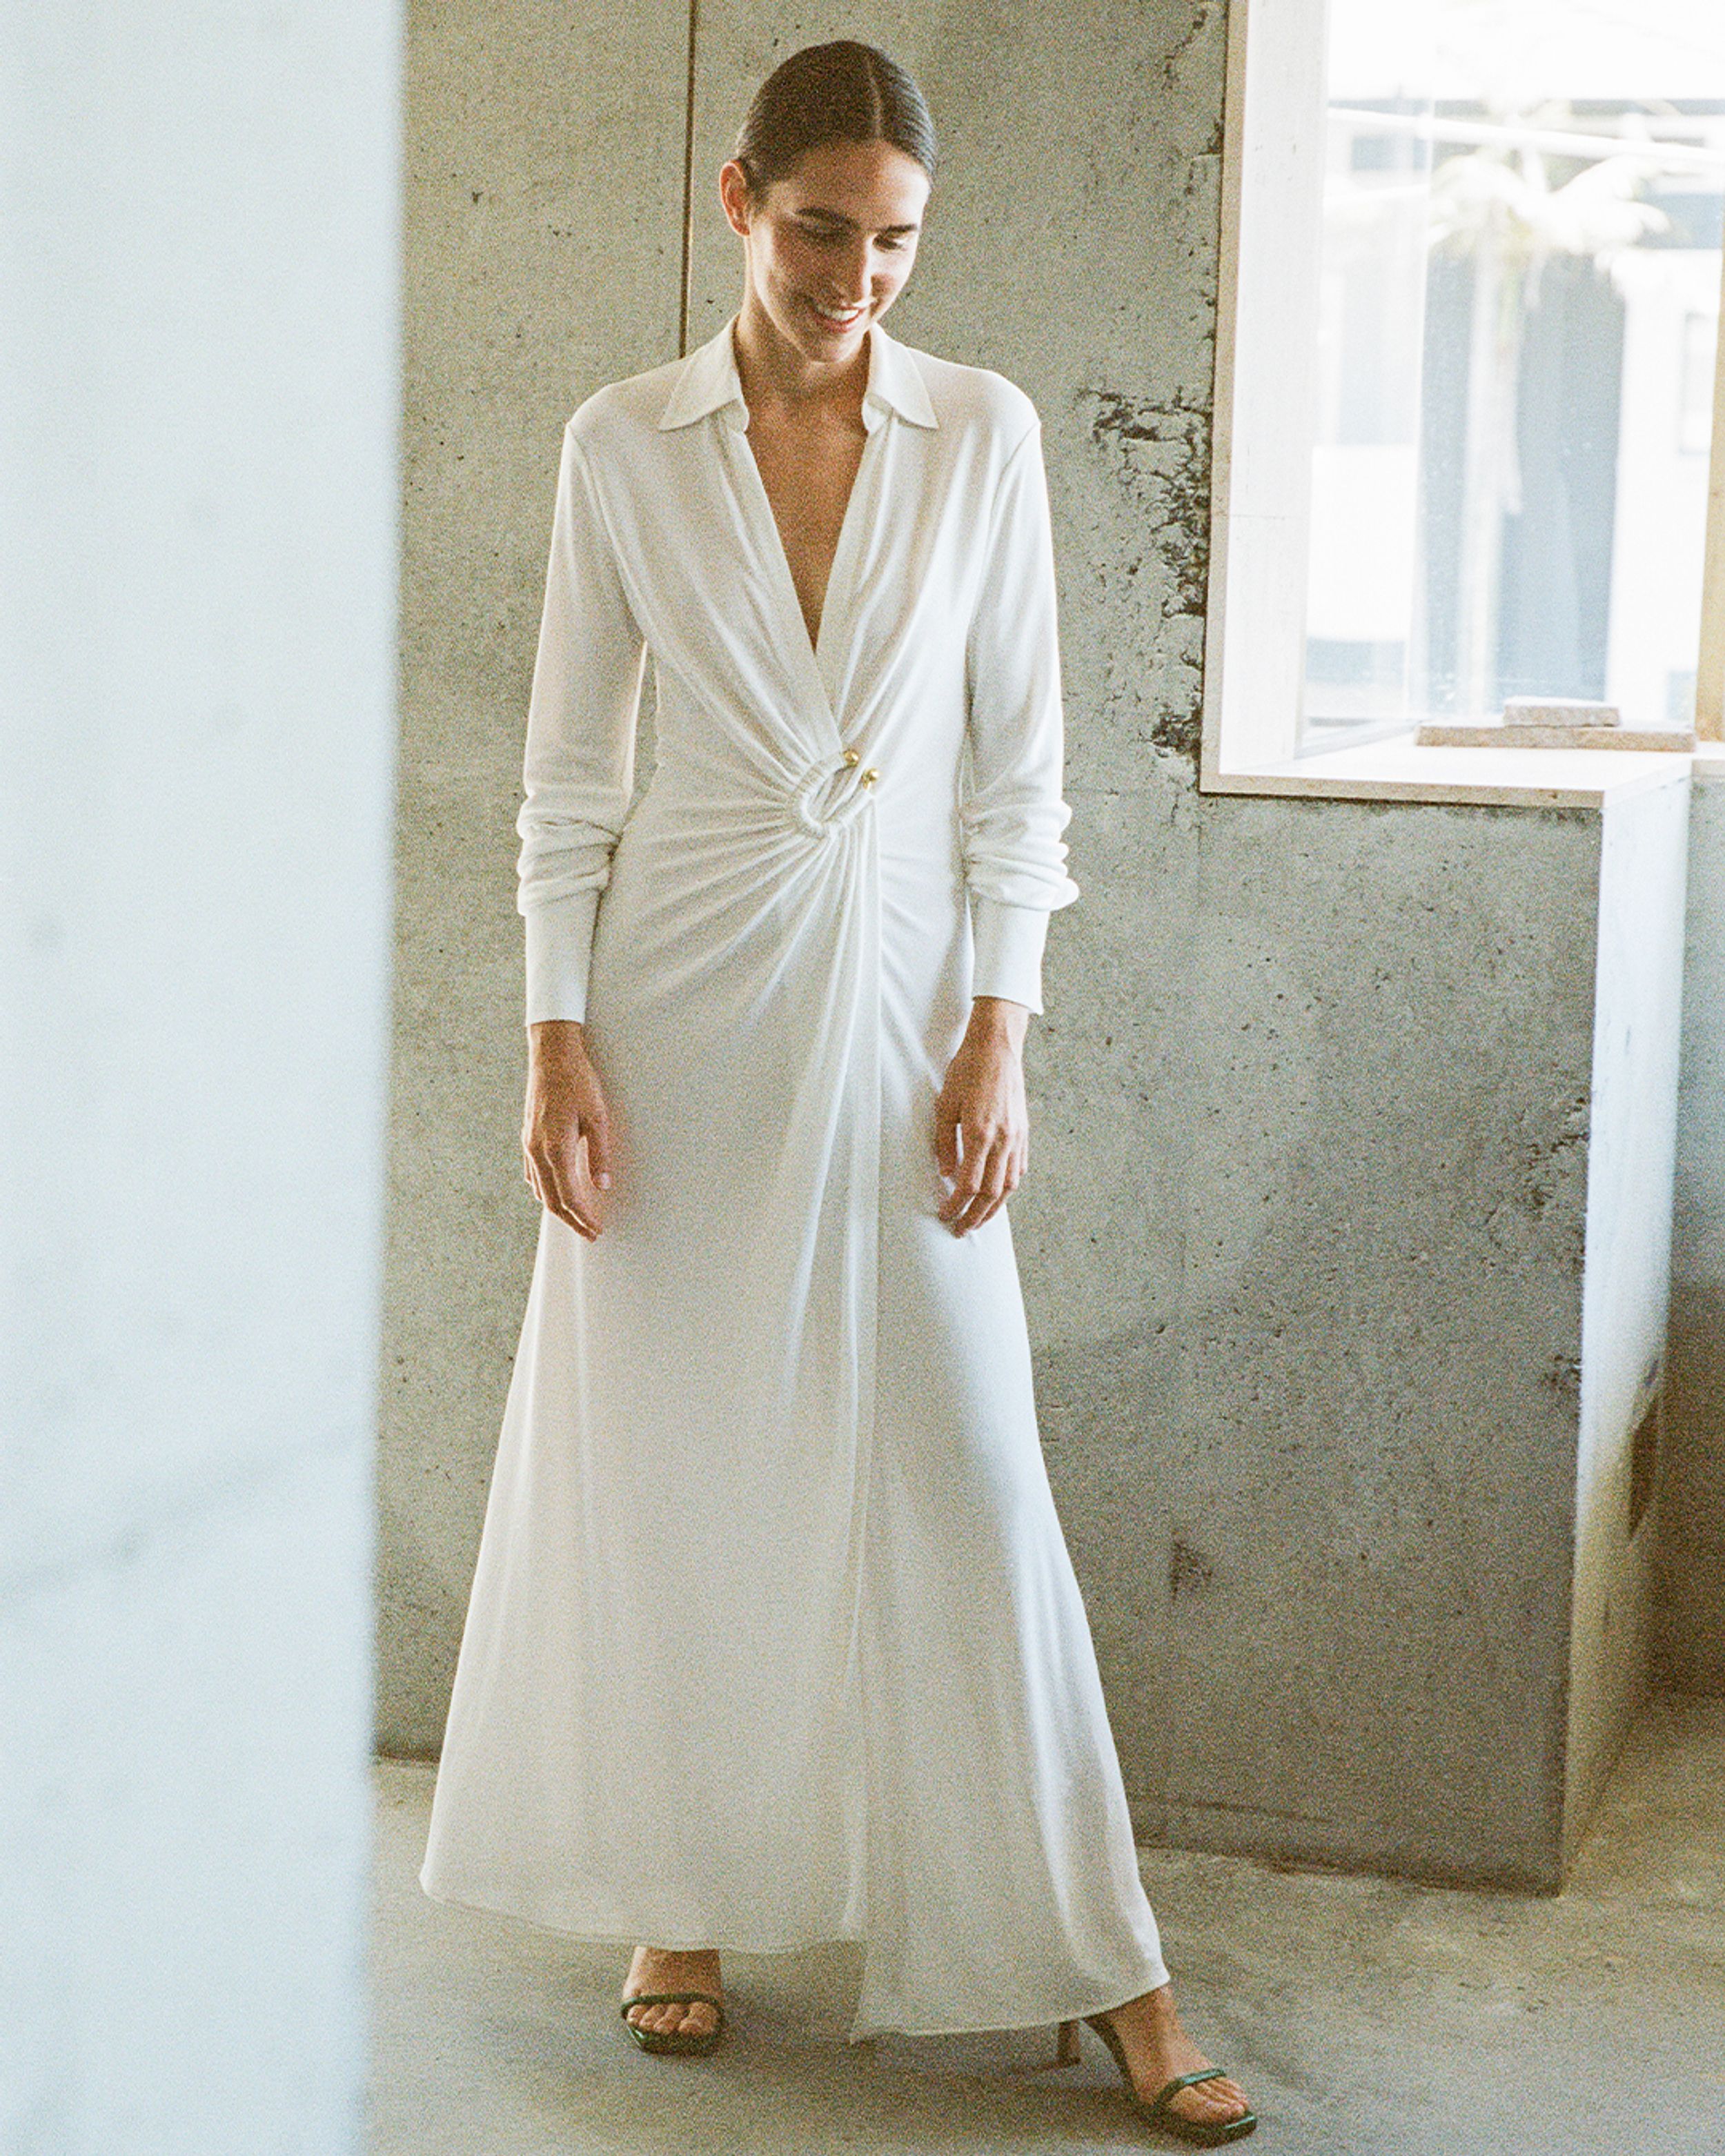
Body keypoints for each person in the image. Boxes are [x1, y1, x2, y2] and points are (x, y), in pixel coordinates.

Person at [419, 38, 1256, 2146]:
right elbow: (563, 782)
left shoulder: (982, 436)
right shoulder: (624, 445)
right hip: (675, 1004)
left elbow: (1024, 769)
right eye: (818, 232)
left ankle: (1107, 1964)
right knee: (677, 1453)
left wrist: (998, 1024)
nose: (853, 277)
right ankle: (675, 1900)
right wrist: (552, 1033)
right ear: (734, 199)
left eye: (892, 241)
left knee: (966, 1469)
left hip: (894, 1005)